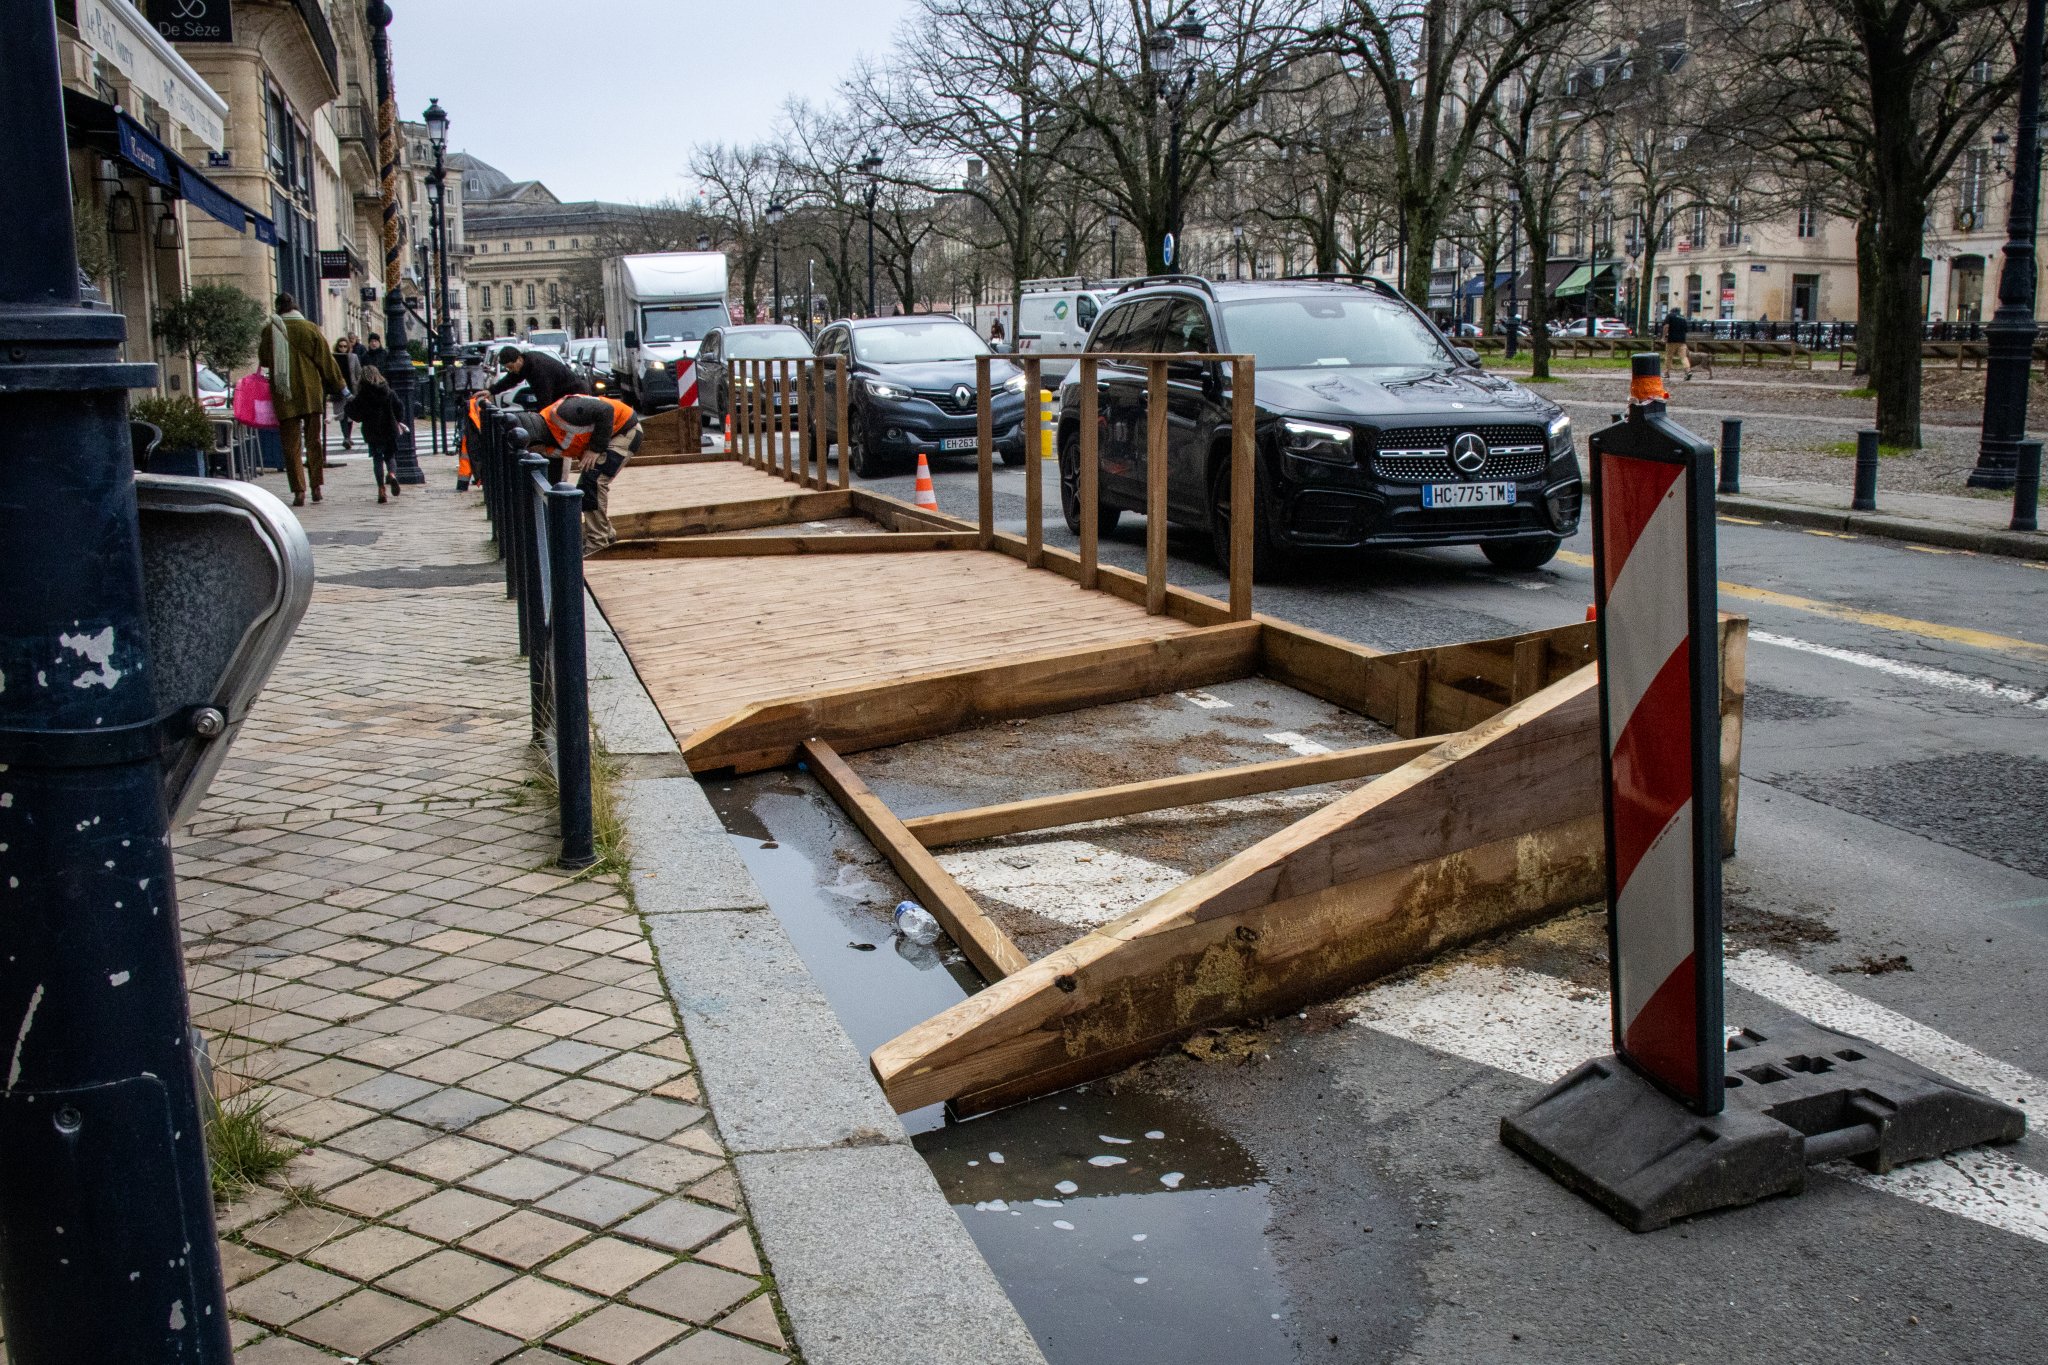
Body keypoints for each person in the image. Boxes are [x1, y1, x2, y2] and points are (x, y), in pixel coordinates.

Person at [518, 393, 642, 553]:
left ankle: (598, 542)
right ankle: (607, 535)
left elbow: (605, 410)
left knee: (594, 481)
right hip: (610, 434)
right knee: (586, 485)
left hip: (625, 430)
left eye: (530, 449)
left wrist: (595, 449)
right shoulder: (548, 442)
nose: (531, 452)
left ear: (535, 440)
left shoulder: (564, 412)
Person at [258, 293, 347, 505]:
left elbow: (264, 360)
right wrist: (341, 386)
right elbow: (326, 362)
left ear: (279, 308)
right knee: (314, 441)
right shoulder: (310, 328)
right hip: (310, 392)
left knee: (291, 445)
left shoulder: (271, 330)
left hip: (284, 392)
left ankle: (299, 490)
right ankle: (316, 487)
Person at [343, 365, 409, 502]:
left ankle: (381, 488)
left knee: (377, 459)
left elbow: (356, 415)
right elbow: (399, 408)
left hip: (372, 431)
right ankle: (391, 474)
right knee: (390, 456)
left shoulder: (363, 395)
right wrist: (398, 420)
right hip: (389, 429)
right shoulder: (389, 392)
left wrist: (348, 405)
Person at [489, 344, 581, 409]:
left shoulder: (537, 368)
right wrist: (490, 391)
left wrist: (541, 417)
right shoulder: (525, 364)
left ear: (519, 359)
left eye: (511, 367)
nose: (511, 370)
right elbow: (510, 379)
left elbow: (544, 395)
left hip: (574, 394)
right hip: (563, 395)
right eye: (508, 368)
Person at [334, 334, 362, 449]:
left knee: (350, 414)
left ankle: (348, 436)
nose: (343, 348)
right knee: (341, 415)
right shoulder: (334, 358)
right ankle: (345, 437)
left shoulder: (353, 357)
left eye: (345, 346)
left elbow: (358, 372)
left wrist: (358, 386)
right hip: (338, 390)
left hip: (352, 388)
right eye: (340, 346)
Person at [1662, 309, 1692, 382]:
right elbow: (1686, 330)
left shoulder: (1670, 316)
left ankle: (1666, 373)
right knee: (1683, 357)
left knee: (1669, 357)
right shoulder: (1683, 318)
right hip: (1682, 341)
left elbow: (1666, 326)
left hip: (1671, 340)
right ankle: (1688, 371)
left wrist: (1664, 336)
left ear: (1671, 311)